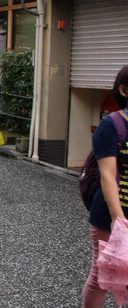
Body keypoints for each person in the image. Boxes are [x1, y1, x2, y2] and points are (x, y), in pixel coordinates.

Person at [82, 66, 128, 307]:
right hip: (112, 215)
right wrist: (119, 221)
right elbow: (107, 176)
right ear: (124, 90)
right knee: (102, 276)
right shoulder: (111, 126)